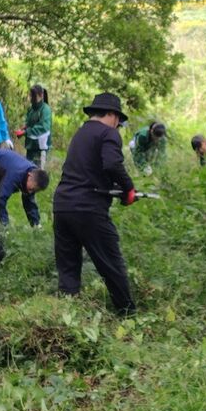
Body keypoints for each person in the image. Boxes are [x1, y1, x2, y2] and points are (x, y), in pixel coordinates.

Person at [52, 92, 138, 314]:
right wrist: (129, 188)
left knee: (68, 266)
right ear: (111, 115)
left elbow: (89, 170)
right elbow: (112, 165)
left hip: (62, 206)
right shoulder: (108, 133)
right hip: (88, 208)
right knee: (111, 263)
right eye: (117, 120)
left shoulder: (80, 134)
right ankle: (127, 314)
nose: (118, 125)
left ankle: (66, 315)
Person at [21, 84, 53, 167]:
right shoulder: (31, 109)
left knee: (38, 173)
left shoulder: (45, 109)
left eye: (33, 96)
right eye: (31, 96)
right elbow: (29, 123)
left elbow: (44, 127)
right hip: (30, 146)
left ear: (41, 96)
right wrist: (25, 128)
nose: (31, 98)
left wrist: (27, 131)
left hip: (41, 148)